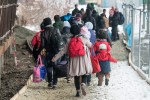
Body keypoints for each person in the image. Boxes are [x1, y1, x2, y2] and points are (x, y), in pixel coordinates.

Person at [52, 25, 93, 97]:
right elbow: (91, 46)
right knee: (85, 73)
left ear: (71, 31)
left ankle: (78, 92)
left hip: (74, 60)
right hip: (83, 59)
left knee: (76, 76)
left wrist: (55, 58)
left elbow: (63, 51)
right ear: (79, 31)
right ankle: (83, 83)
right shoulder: (84, 38)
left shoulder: (69, 40)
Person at [40, 17, 64, 89]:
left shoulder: (43, 33)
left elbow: (42, 46)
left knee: (49, 67)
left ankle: (50, 82)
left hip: (48, 52)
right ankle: (55, 84)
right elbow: (60, 40)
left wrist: (43, 55)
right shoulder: (56, 29)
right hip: (56, 51)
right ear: (50, 23)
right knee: (55, 66)